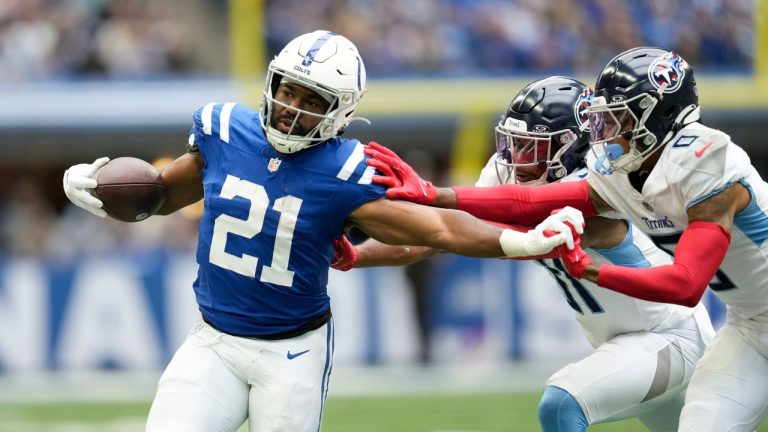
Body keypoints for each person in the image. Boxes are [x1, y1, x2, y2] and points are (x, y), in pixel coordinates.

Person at [61, 30, 582, 432]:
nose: (293, 109)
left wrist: (519, 241)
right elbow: (156, 195)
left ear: (341, 113)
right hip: (213, 342)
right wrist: (95, 189)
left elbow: (439, 228)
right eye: (289, 91)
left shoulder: (346, 171)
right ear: (271, 84)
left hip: (292, 354)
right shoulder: (226, 131)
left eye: (313, 101)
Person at [365, 48, 768, 431]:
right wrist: (353, 254)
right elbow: (436, 234)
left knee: (562, 402)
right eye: (515, 144)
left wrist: (431, 199)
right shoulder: (601, 172)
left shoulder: (651, 177)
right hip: (707, 332)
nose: (516, 159)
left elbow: (456, 228)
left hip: (665, 336)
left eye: (531, 147)